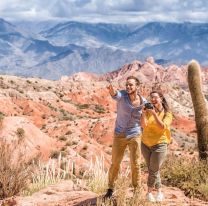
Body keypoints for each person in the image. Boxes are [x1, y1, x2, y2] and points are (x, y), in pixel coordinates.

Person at [104, 76, 146, 199]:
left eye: (131, 85)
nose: (128, 87)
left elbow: (150, 111)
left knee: (136, 164)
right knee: (115, 163)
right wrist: (111, 90)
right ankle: (111, 189)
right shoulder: (122, 95)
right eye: (127, 84)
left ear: (137, 86)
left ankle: (137, 190)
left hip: (135, 134)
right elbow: (115, 94)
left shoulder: (143, 101)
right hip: (120, 134)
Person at [140, 91, 173, 202]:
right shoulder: (148, 111)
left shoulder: (167, 113)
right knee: (153, 169)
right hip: (145, 143)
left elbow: (162, 127)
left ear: (161, 99)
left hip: (160, 144)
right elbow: (143, 126)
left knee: (153, 170)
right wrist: (144, 113)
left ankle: (148, 193)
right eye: (151, 98)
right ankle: (159, 192)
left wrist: (154, 114)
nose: (153, 100)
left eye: (155, 97)